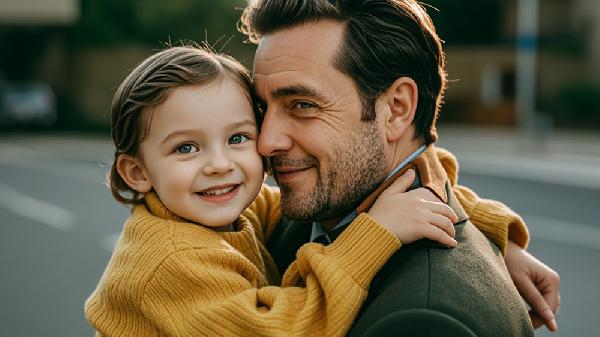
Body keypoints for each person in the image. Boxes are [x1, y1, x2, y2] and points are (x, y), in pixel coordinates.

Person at [84, 45, 486, 336]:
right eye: (186, 148)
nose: (220, 164)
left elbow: (380, 182)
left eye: (238, 138)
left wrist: (482, 226)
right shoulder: (170, 261)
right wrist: (374, 235)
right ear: (137, 172)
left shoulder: (234, 209)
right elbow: (279, 331)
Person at [240, 0, 559, 335]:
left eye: (302, 105)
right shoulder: (303, 218)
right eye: (262, 107)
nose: (267, 142)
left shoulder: (425, 321)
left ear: (396, 109)